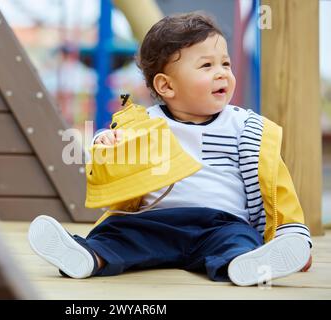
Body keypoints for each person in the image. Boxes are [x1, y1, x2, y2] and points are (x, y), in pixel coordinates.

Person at [28, 12, 312, 286]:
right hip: (154, 221)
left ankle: (250, 264)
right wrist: (106, 146)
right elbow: (114, 165)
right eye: (206, 66)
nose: (221, 74)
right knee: (117, 233)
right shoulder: (144, 123)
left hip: (220, 222)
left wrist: (289, 231)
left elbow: (277, 185)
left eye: (225, 64)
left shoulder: (245, 127)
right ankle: (87, 257)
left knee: (240, 241)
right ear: (167, 86)